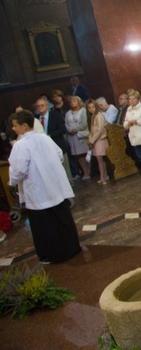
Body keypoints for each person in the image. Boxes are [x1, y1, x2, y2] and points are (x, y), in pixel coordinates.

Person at [8, 110, 80, 264]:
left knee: (45, 225)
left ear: (25, 126)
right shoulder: (44, 138)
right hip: (54, 187)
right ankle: (72, 248)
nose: (13, 129)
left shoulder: (21, 145)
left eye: (15, 126)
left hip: (38, 191)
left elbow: (19, 170)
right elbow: (59, 154)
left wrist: (12, 181)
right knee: (62, 219)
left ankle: (53, 255)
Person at [64, 96, 91, 180]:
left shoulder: (83, 111)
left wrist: (76, 129)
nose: (72, 103)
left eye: (74, 101)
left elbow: (85, 123)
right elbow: (66, 123)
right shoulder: (68, 113)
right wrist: (69, 130)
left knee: (85, 153)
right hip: (72, 136)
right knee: (78, 155)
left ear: (79, 102)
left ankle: (88, 171)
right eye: (71, 101)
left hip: (81, 134)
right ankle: (84, 170)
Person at [86, 99, 110, 185]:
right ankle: (104, 175)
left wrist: (92, 140)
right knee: (100, 159)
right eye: (89, 108)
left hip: (100, 140)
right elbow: (92, 130)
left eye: (93, 107)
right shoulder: (93, 116)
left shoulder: (99, 116)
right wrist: (90, 139)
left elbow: (99, 130)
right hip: (96, 140)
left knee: (100, 159)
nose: (91, 109)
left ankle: (103, 177)